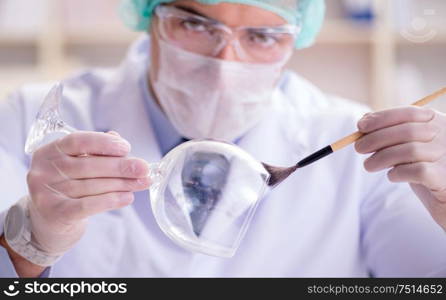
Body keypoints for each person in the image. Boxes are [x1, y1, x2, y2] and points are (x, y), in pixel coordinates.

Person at [1, 0, 446, 278]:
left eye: (263, 36)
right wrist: (30, 245)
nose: (224, 62)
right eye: (195, 25)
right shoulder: (26, 116)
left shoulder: (359, 147)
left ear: (296, 39)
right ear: (150, 17)